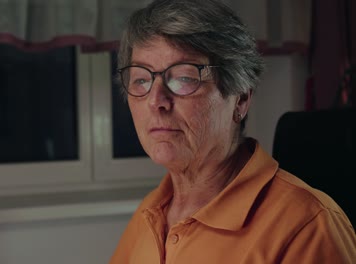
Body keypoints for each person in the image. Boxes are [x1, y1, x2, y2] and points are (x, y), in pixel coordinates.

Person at [109, 0, 356, 263]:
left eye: (184, 78)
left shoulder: (307, 227)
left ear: (240, 99)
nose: (156, 100)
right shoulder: (151, 211)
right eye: (142, 80)